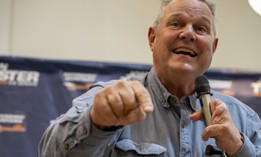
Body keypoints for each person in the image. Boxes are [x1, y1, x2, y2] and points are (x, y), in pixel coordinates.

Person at [39, 0, 261, 156]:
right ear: (152, 38)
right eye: (176, 24)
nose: (188, 33)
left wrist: (238, 148)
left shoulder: (244, 118)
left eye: (201, 28)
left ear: (213, 47)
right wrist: (97, 121)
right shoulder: (110, 100)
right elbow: (50, 153)